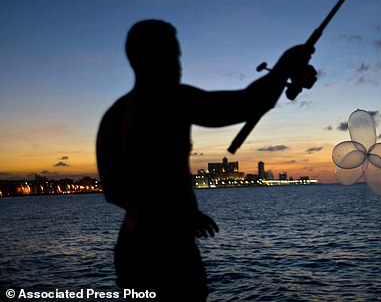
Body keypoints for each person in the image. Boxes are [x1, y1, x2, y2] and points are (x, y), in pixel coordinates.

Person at [96, 20, 317, 301]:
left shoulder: (111, 117)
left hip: (131, 250)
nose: (179, 65)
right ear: (148, 57)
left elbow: (115, 193)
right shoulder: (169, 98)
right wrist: (286, 62)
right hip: (169, 256)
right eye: (173, 56)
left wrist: (173, 210)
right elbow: (249, 102)